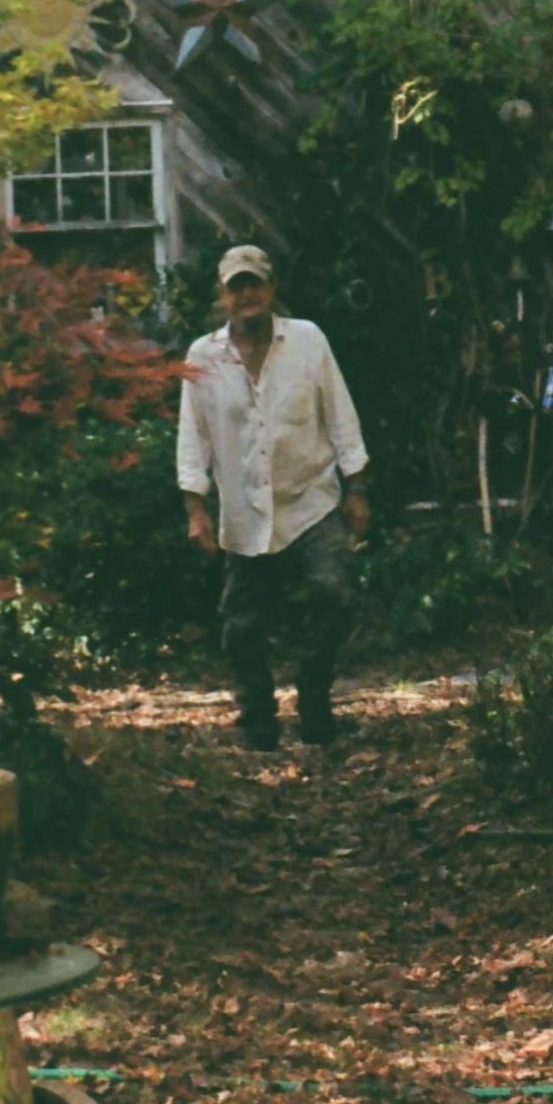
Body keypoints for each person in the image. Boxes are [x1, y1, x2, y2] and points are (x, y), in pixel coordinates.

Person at [176, 245, 370, 750]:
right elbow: (192, 436)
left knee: (335, 591)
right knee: (241, 625)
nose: (247, 294)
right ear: (222, 294)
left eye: (255, 283)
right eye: (237, 285)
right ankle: (258, 717)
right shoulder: (203, 356)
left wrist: (357, 488)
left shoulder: (308, 341)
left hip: (311, 498)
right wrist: (195, 507)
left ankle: (313, 695)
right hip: (243, 510)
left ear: (272, 289)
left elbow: (341, 416)